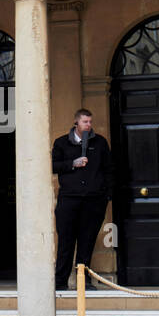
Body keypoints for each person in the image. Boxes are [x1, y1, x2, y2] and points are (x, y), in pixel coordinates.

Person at [52, 108, 113, 290]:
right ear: (76, 123)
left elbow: (109, 169)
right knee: (66, 241)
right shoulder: (62, 143)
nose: (88, 125)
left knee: (87, 241)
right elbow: (53, 165)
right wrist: (72, 163)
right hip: (69, 199)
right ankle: (60, 282)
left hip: (93, 199)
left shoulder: (100, 142)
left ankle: (83, 281)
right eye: (85, 122)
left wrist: (106, 194)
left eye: (90, 122)